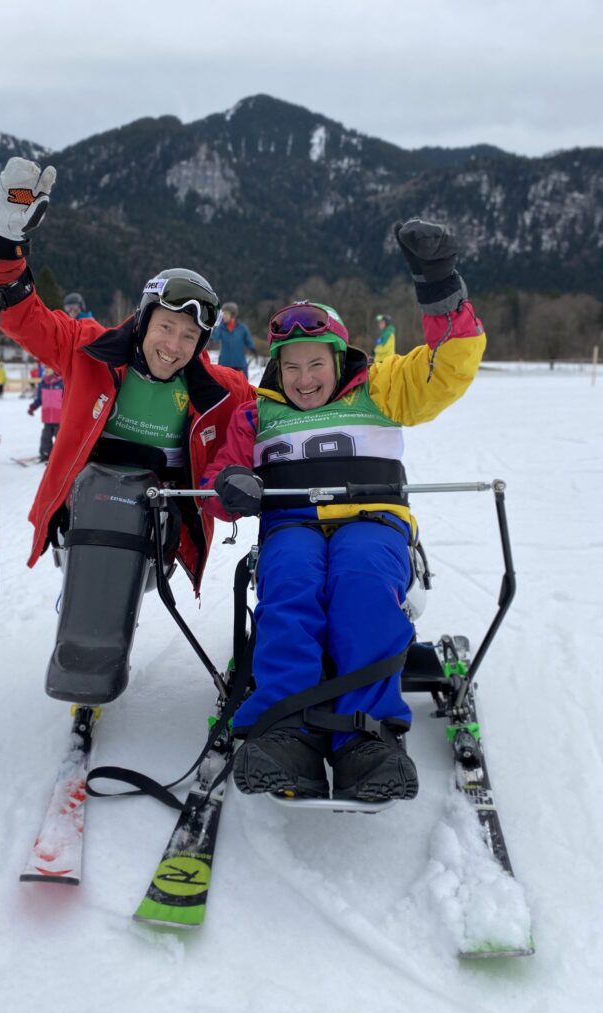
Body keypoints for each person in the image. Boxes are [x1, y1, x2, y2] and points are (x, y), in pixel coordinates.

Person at [201, 219, 486, 802]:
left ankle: (368, 739)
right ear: (277, 367)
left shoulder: (380, 389)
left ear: (339, 358)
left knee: (359, 580)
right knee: (290, 582)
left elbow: (447, 366)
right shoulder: (258, 413)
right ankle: (288, 733)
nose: (305, 379)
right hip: (294, 524)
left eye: (317, 364)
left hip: (372, 521)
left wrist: (439, 282)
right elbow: (221, 476)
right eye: (292, 366)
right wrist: (231, 485)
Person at [0, 157, 255, 600]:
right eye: (165, 327)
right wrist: (4, 242)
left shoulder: (220, 389)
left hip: (158, 521)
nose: (173, 345)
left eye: (189, 336)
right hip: (86, 511)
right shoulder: (89, 351)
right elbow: (19, 314)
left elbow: (283, 408)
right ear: (143, 322)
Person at [211, 302, 257, 376]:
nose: (223, 316)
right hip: (224, 365)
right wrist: (216, 326)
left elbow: (248, 342)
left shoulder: (242, 328)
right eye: (223, 314)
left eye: (226, 314)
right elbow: (214, 338)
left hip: (240, 365)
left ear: (232, 315)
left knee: (242, 386)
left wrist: (253, 349)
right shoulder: (220, 328)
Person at [28, 370, 64, 461]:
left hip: (59, 418)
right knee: (45, 437)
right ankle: (46, 454)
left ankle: (61, 456)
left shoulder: (62, 383)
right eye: (44, 367)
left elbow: (67, 399)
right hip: (47, 417)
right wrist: (33, 407)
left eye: (48, 367)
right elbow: (39, 399)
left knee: (60, 439)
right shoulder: (43, 383)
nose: (45, 370)